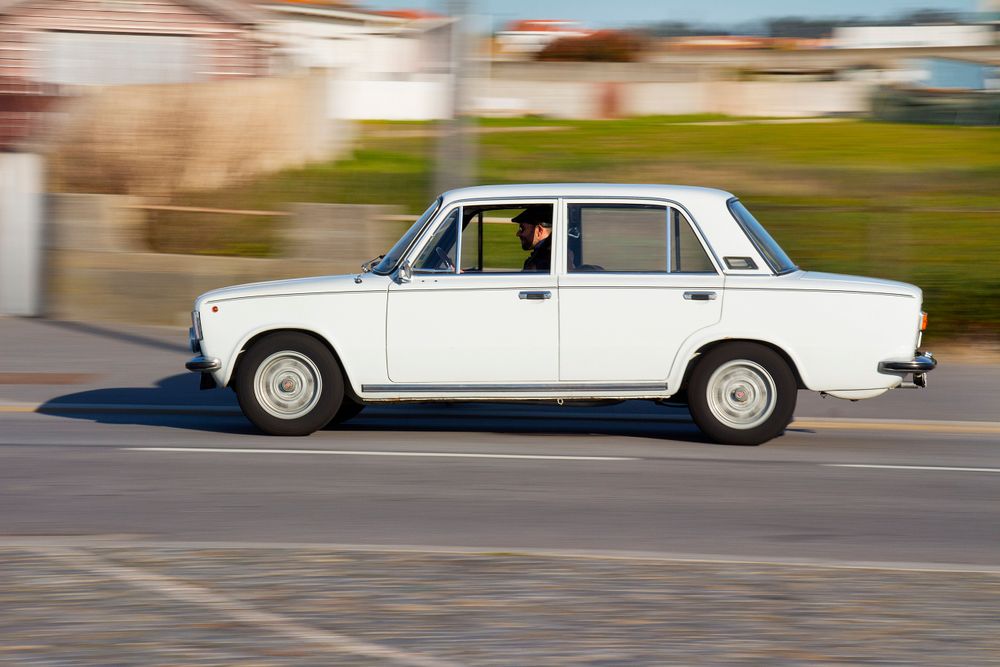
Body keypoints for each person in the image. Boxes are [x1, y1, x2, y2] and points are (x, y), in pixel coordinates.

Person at [513, 206, 552, 272]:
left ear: (539, 231)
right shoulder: (545, 254)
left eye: (522, 229)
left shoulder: (541, 263)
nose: (518, 234)